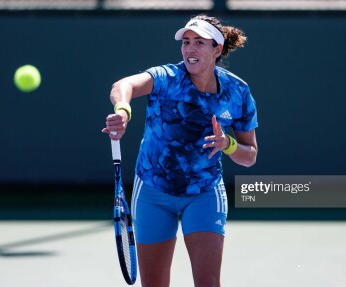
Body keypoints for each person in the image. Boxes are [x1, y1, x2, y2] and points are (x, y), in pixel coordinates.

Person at [102, 14, 258, 287]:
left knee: (208, 283)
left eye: (199, 42)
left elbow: (250, 156)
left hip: (204, 193)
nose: (190, 49)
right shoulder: (166, 77)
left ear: (217, 50)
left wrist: (228, 144)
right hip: (153, 192)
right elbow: (122, 86)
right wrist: (123, 110)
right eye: (186, 42)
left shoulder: (238, 92)